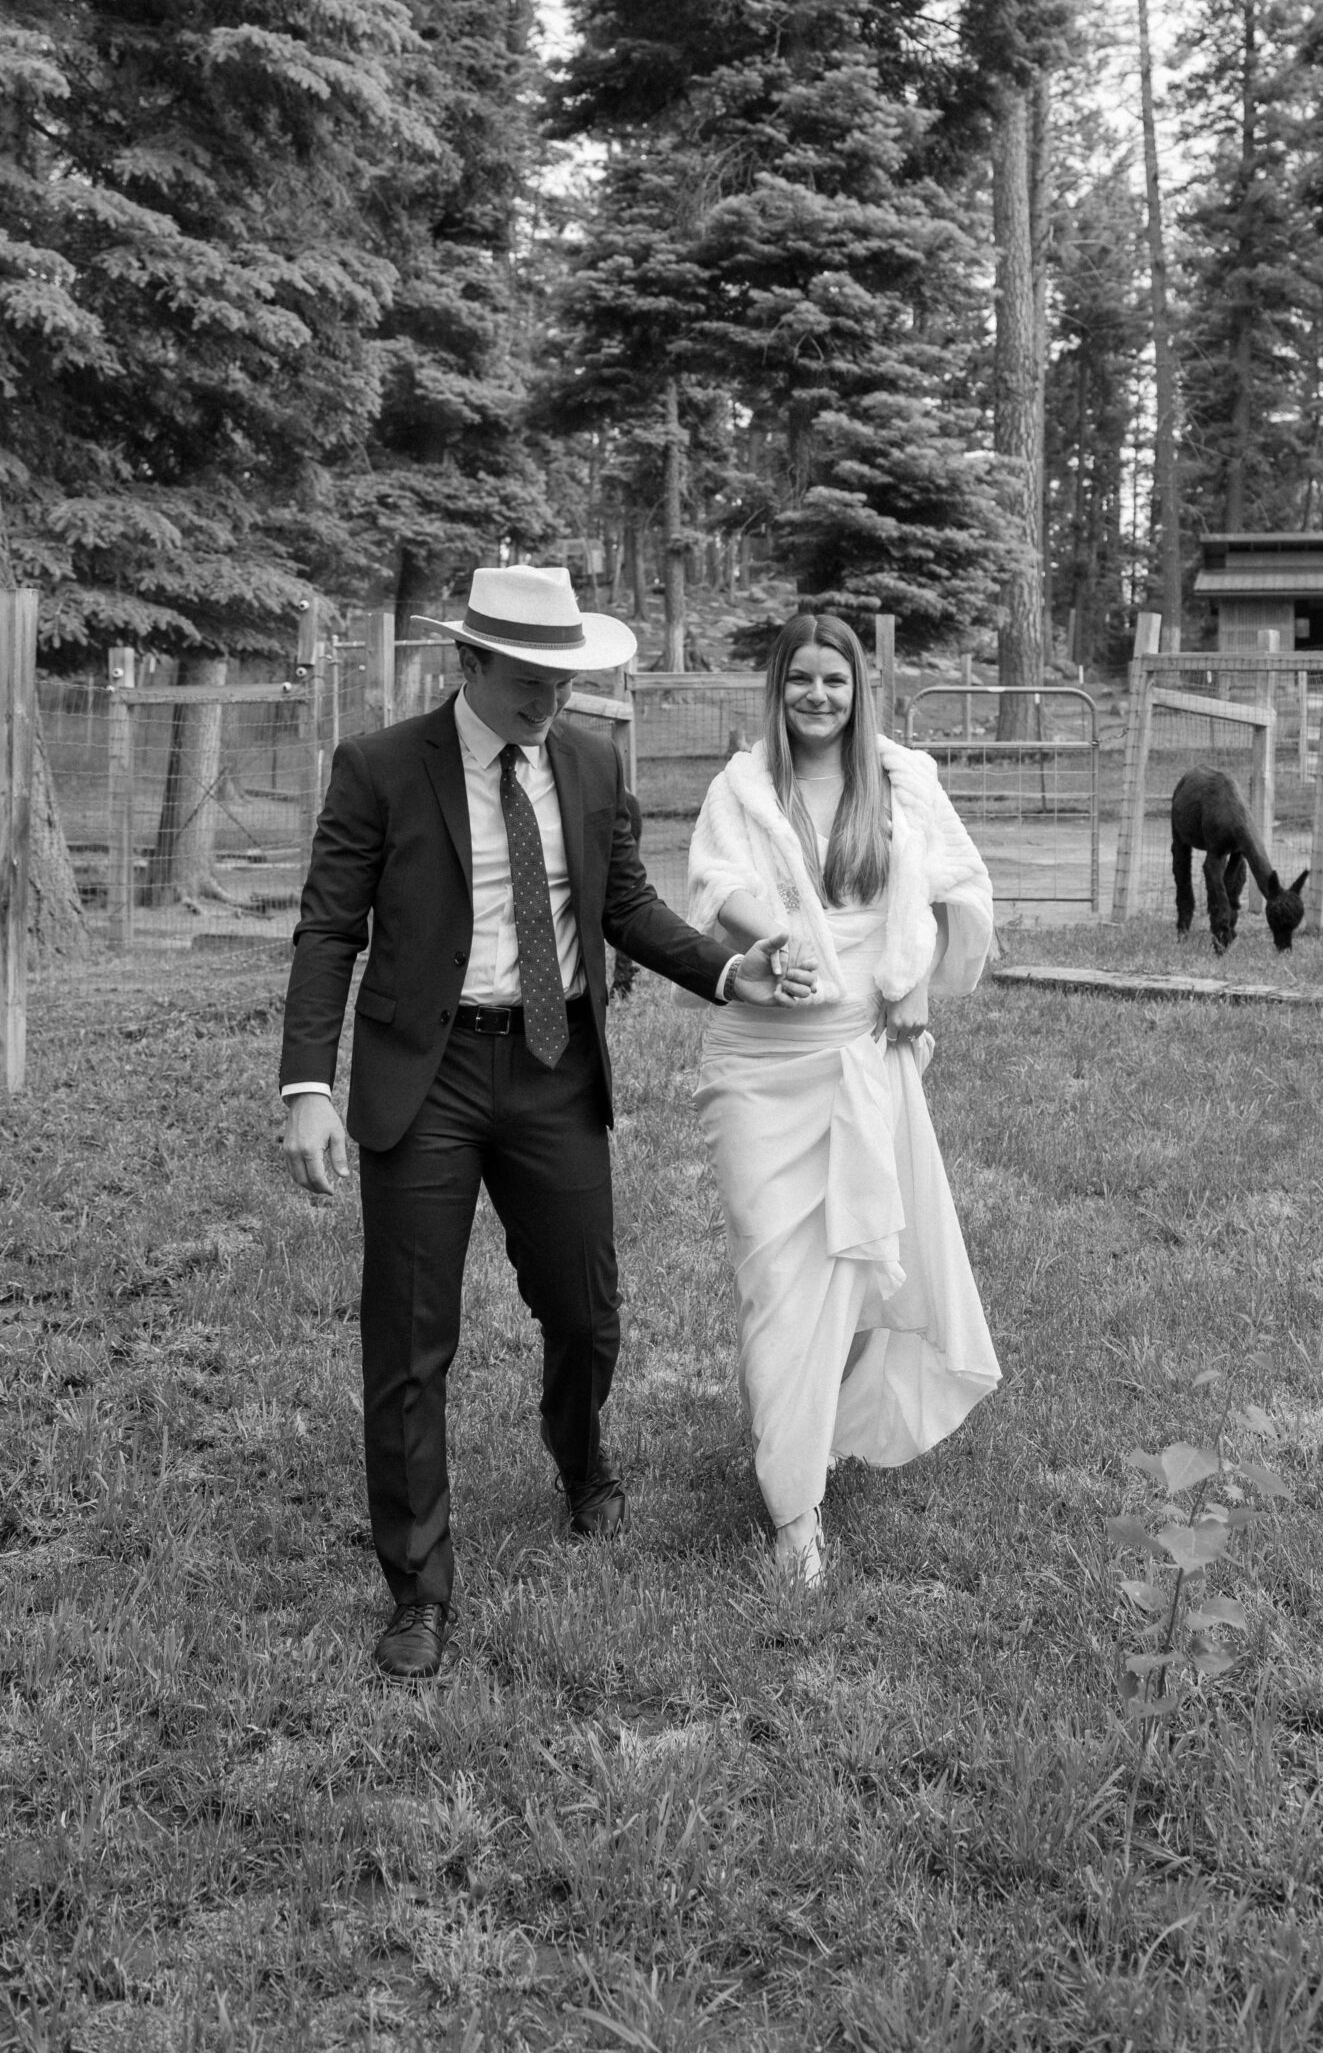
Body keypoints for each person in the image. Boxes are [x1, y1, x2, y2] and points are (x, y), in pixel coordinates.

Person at [279, 564, 816, 1680]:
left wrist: (729, 972)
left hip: (551, 1062)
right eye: (529, 679)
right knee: (410, 1339)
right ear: (468, 663)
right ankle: (420, 1588)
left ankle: (581, 1461)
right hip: (419, 1078)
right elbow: (329, 930)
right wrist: (309, 1088)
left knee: (587, 1309)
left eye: (564, 679)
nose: (549, 700)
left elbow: (623, 905)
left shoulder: (588, 759)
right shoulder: (379, 768)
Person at [687, 612, 1001, 1586]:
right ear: (775, 690)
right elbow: (716, 882)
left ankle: (809, 1466)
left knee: (860, 1263)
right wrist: (769, 937)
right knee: (780, 1274)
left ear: (861, 689)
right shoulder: (743, 785)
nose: (817, 697)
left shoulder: (904, 779)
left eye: (835, 681)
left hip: (867, 1048)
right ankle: (793, 1511)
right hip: (764, 1056)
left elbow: (958, 882)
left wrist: (912, 979)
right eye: (799, 682)